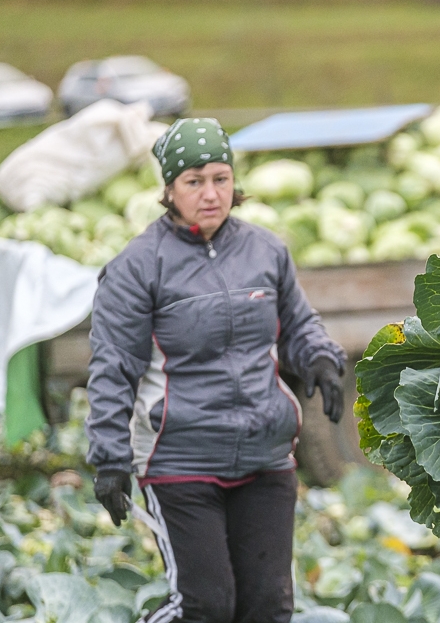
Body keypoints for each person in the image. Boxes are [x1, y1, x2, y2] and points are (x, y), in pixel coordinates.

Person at [85, 118, 347, 623]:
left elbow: (298, 324)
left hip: (265, 457)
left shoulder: (266, 250)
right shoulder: (138, 266)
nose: (211, 194)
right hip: (179, 459)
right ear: (169, 189)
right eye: (194, 181)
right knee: (205, 607)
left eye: (221, 179)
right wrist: (110, 458)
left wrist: (320, 358)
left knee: (268, 608)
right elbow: (113, 367)